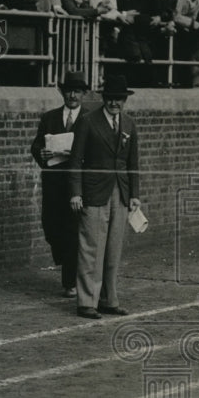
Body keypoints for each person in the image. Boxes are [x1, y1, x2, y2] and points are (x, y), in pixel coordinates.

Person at [69, 74, 141, 319]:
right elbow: (76, 160)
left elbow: (133, 163)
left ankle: (109, 300)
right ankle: (86, 301)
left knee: (113, 248)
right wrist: (76, 192)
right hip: (93, 192)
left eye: (119, 99)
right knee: (91, 247)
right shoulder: (88, 122)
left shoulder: (129, 124)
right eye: (110, 99)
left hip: (120, 192)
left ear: (125, 101)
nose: (114, 103)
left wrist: (134, 195)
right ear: (104, 99)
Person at [30, 70, 89, 298]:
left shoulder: (88, 118)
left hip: (76, 185)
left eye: (77, 91)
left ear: (83, 94)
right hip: (54, 182)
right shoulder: (50, 118)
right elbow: (36, 146)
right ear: (63, 92)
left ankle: (70, 281)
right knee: (52, 228)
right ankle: (66, 260)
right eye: (68, 91)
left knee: (72, 231)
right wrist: (41, 152)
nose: (72, 95)